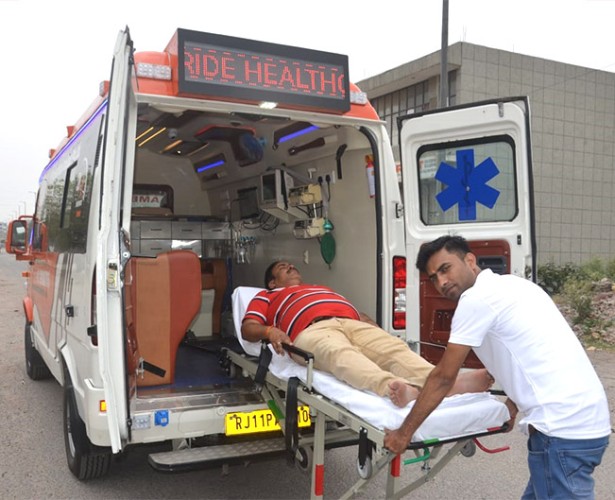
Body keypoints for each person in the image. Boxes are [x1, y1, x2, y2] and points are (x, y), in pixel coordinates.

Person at [384, 235, 611, 499]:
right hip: (585, 422)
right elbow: (532, 354)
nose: (442, 282)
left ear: (470, 260)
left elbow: (443, 377)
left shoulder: (476, 299)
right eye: (433, 278)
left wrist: (404, 434)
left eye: (445, 269)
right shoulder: (517, 286)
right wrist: (513, 403)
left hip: (562, 433)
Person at [240, 260, 494, 407]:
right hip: (311, 331)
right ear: (272, 282)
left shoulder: (320, 288)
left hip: (351, 323)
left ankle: (445, 383)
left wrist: (375, 329)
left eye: (292, 265)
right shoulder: (267, 296)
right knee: (341, 355)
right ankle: (395, 388)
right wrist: (271, 331)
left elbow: (356, 313)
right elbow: (248, 328)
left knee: (393, 349)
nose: (291, 266)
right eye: (283, 267)